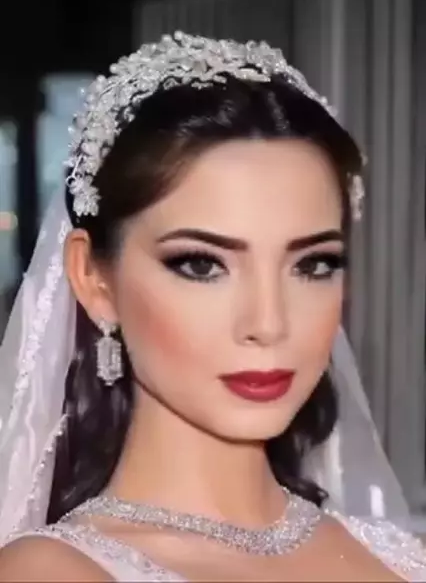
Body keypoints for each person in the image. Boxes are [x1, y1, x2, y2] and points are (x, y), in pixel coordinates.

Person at [0, 31, 424, 581]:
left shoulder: (401, 558)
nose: (268, 323)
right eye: (202, 265)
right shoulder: (51, 572)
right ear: (94, 280)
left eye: (312, 265)